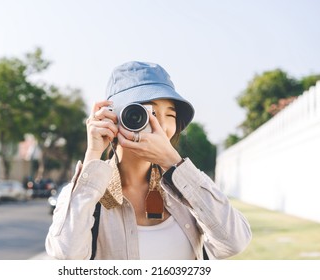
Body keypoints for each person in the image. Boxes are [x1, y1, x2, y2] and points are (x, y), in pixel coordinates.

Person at [45, 61, 251, 260]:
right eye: (146, 112)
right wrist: (93, 153)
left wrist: (173, 162)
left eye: (170, 115)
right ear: (113, 116)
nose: (160, 125)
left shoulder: (188, 189)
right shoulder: (86, 192)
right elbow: (67, 255)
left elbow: (234, 243)